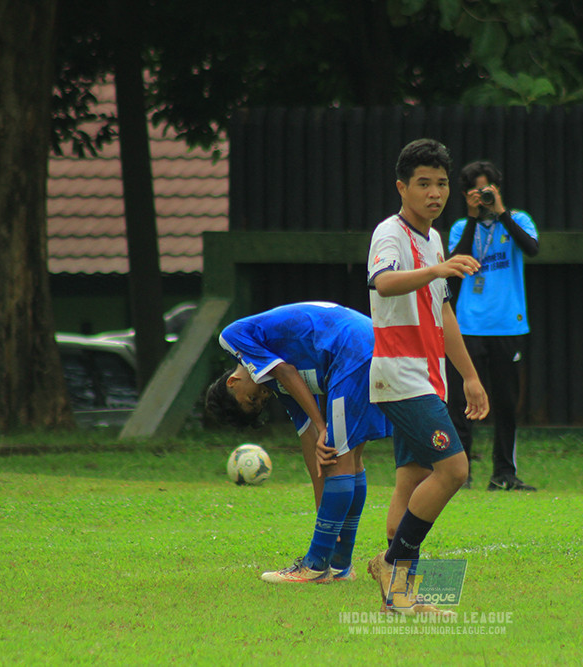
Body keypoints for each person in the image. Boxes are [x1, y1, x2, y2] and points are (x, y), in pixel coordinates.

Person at [365, 138, 490, 615]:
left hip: (429, 376)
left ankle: (397, 587)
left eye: (440, 184)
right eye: (423, 184)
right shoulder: (390, 234)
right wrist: (436, 268)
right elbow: (383, 281)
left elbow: (442, 311)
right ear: (402, 187)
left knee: (410, 479)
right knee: (454, 470)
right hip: (400, 377)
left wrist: (470, 377)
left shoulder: (433, 238)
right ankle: (396, 577)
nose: (434, 193)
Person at [204, 301, 391, 584]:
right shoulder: (280, 382)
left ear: (233, 382)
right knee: (349, 459)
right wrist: (324, 513)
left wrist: (321, 425)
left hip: (352, 348)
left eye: (251, 399)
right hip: (368, 344)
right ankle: (339, 565)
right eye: (258, 404)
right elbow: (309, 446)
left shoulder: (232, 337)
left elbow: (287, 372)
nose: (262, 398)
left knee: (339, 457)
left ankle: (315, 567)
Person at [446, 160, 539, 492]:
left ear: (497, 190)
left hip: (508, 327)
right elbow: (455, 263)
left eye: (487, 190)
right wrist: (473, 218)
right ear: (464, 195)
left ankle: (504, 474)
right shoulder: (460, 227)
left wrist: (501, 213)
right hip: (469, 326)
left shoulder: (518, 221)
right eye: (475, 192)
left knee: (505, 403)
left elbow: (531, 248)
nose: (482, 197)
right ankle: (460, 474)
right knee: (461, 403)